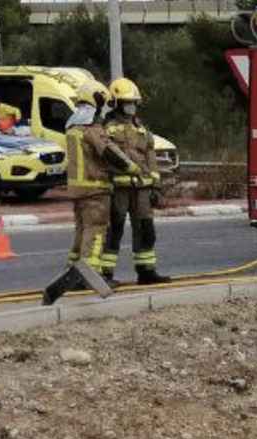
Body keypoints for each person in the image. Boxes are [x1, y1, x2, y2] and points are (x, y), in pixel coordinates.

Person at [42, 82, 139, 305]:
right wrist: (130, 167)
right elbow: (109, 152)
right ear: (95, 103)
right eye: (102, 105)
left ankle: (70, 272)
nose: (103, 110)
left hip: (77, 191)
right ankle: (88, 277)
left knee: (80, 233)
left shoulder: (72, 128)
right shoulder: (91, 129)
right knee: (95, 235)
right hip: (95, 189)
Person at [100, 78, 170, 285]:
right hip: (118, 189)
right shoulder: (106, 128)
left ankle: (146, 271)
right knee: (115, 230)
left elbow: (151, 158)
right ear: (115, 103)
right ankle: (106, 274)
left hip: (141, 190)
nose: (131, 107)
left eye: (133, 103)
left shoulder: (141, 129)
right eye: (126, 102)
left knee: (146, 229)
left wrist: (156, 186)